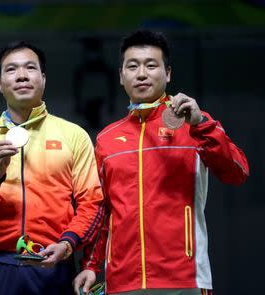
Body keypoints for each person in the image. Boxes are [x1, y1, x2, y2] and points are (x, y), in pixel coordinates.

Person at [73, 30, 249, 295]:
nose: (141, 73)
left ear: (167, 73)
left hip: (184, 277)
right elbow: (103, 211)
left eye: (151, 65)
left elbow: (237, 172)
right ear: (121, 77)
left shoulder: (196, 124)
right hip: (123, 279)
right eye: (132, 66)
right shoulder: (107, 139)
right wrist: (90, 264)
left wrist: (202, 124)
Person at [0, 41, 104, 295]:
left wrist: (67, 244)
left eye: (30, 68)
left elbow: (92, 203)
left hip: (54, 263)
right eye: (11, 69)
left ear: (43, 79)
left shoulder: (73, 135)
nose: (22, 75)